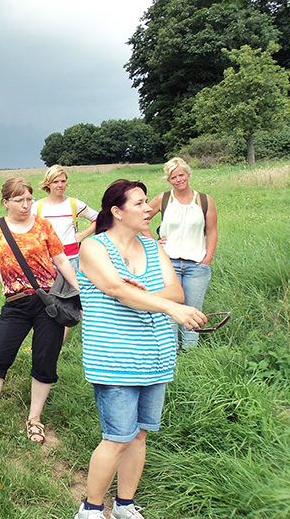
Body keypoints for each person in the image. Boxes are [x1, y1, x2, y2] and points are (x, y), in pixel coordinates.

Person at [74, 179, 207, 519]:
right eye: (139, 203)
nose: (149, 209)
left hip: (157, 354)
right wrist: (161, 304)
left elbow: (176, 291)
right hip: (114, 357)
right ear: (116, 212)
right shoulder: (94, 248)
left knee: (139, 437)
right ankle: (90, 510)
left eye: (147, 202)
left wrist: (143, 295)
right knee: (117, 437)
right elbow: (115, 288)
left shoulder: (152, 247)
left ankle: (125, 505)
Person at [0, 177, 78, 443]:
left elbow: (62, 261)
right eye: (19, 200)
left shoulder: (43, 226)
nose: (26, 205)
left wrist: (80, 290)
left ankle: (35, 420)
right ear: (6, 202)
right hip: (15, 304)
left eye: (29, 199)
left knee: (45, 360)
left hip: (49, 302)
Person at [145, 157, 218, 351]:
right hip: (168, 263)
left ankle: (190, 352)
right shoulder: (163, 199)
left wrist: (207, 259)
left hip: (196, 265)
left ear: (188, 174)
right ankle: (171, 352)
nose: (178, 180)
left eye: (181, 175)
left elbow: (212, 231)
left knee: (193, 310)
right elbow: (141, 219)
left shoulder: (203, 200)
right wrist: (154, 244)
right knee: (169, 310)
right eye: (173, 177)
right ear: (168, 180)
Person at [35, 165, 98, 271]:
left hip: (72, 259)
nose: (60, 185)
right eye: (55, 182)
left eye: (63, 181)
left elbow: (99, 218)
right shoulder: (37, 207)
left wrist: (83, 235)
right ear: (48, 184)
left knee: (73, 288)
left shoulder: (74, 204)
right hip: (47, 261)